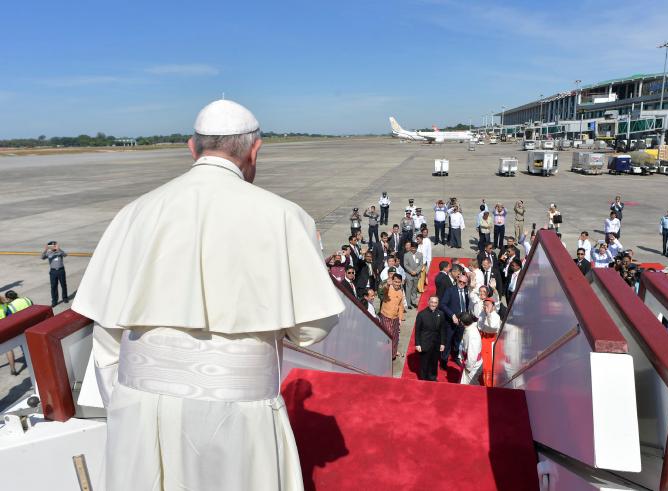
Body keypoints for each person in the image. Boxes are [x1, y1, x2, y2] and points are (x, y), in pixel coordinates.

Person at [71, 99, 345, 491]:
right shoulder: (284, 215)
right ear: (255, 149)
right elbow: (310, 330)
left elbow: (107, 334)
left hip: (141, 409)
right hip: (239, 414)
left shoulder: (134, 212)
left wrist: (132, 401)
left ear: (191, 147)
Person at [440, 274, 470, 369]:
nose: (461, 283)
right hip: (450, 321)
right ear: (457, 280)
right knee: (448, 341)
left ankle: (456, 357)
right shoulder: (450, 290)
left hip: (462, 321)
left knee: (458, 340)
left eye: (463, 282)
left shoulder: (466, 291)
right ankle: (444, 361)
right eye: (459, 281)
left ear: (466, 283)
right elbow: (443, 304)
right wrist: (452, 315)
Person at [414, 296, 446, 381]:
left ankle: (432, 377)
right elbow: (417, 330)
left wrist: (442, 343)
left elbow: (442, 329)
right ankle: (423, 379)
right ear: (428, 302)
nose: (433, 304)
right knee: (424, 363)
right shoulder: (421, 314)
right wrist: (417, 344)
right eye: (432, 302)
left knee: (434, 362)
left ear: (438, 303)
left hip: (436, 343)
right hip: (425, 343)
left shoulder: (441, 314)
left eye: (435, 302)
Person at [379, 273, 406, 360]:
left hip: (395, 318)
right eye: (395, 282)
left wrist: (400, 318)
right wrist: (387, 284)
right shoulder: (388, 287)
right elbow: (382, 291)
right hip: (386, 316)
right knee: (388, 336)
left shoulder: (400, 291)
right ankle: (385, 354)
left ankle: (393, 354)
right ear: (392, 281)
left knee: (395, 337)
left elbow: (401, 306)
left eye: (399, 282)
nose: (397, 284)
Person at [478, 297, 501, 387]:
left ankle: (488, 385)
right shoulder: (482, 313)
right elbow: (479, 324)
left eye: (487, 305)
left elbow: (492, 327)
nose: (485, 307)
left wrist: (488, 315)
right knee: (480, 361)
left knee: (488, 365)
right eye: (484, 305)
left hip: (490, 341)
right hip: (482, 338)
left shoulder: (496, 316)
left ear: (493, 307)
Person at [41, 240, 68, 305]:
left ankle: (65, 298)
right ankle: (54, 301)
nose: (53, 247)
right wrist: (45, 250)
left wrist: (59, 249)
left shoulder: (59, 252)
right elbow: (42, 257)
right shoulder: (49, 253)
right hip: (53, 271)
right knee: (53, 286)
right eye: (52, 246)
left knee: (63, 285)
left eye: (54, 245)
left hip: (61, 270)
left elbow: (65, 255)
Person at [459, 311, 482, 385]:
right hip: (468, 361)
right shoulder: (469, 329)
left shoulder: (472, 334)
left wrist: (468, 367)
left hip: (472, 365)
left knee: (471, 385)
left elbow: (472, 353)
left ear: (462, 322)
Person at [402, 242, 423, 309]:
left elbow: (421, 264)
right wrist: (411, 271)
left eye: (415, 248)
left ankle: (413, 301)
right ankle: (408, 303)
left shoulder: (420, 254)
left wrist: (416, 272)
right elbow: (405, 265)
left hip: (416, 275)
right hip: (409, 275)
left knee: (414, 289)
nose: (413, 249)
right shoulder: (406, 255)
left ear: (417, 248)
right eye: (412, 248)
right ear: (410, 247)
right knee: (409, 289)